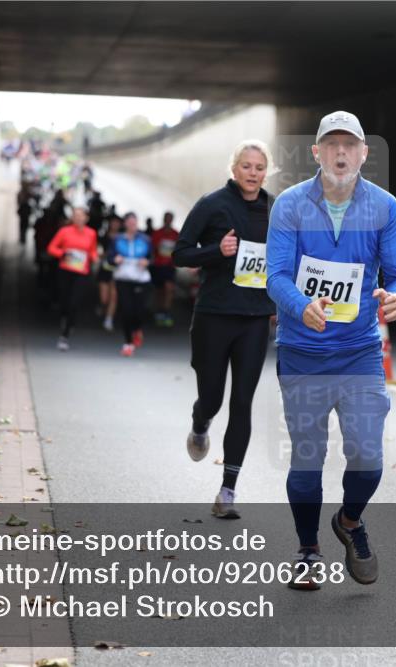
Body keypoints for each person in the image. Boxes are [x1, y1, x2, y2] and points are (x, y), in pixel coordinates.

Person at [266, 111, 396, 589]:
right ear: (317, 153)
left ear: (364, 154)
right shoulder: (289, 205)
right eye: (332, 145)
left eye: (350, 145)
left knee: (368, 456)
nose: (341, 153)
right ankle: (308, 549)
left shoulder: (385, 207)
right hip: (303, 351)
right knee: (307, 459)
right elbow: (276, 276)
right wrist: (300, 304)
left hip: (358, 353)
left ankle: (349, 522)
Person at [173, 141, 275, 519]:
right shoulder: (212, 204)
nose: (252, 172)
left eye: (259, 167)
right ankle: (201, 423)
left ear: (267, 171)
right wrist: (217, 250)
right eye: (246, 166)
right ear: (234, 169)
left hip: (254, 319)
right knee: (212, 397)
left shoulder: (276, 209)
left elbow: (289, 259)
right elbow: (180, 253)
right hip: (214, 315)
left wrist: (285, 301)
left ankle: (228, 489)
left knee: (243, 402)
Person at [47, 207, 98, 350]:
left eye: (81, 216)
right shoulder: (65, 231)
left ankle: (65, 334)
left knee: (74, 301)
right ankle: (65, 317)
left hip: (81, 272)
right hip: (66, 270)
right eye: (75, 216)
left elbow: (93, 251)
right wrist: (63, 253)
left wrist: (94, 257)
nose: (78, 218)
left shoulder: (91, 233)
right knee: (64, 300)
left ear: (86, 218)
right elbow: (51, 248)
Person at [109, 212, 152, 357]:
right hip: (123, 279)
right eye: (130, 223)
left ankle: (138, 328)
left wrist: (147, 262)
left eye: (135, 223)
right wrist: (115, 259)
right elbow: (109, 258)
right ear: (125, 224)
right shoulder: (117, 239)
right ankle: (128, 343)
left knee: (139, 310)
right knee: (126, 311)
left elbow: (152, 258)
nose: (133, 226)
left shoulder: (145, 239)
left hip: (141, 279)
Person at [151, 211, 180, 327]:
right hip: (158, 265)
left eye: (170, 219)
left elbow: (178, 249)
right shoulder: (157, 233)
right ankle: (159, 311)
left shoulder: (176, 234)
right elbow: (153, 248)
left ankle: (166, 311)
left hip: (169, 266)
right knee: (159, 290)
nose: (168, 221)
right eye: (166, 218)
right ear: (163, 219)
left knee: (169, 288)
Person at [97, 215, 123, 331]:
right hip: (105, 268)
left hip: (118, 269)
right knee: (104, 298)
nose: (115, 225)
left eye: (117, 223)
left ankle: (109, 319)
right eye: (113, 222)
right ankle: (103, 307)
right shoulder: (103, 236)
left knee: (114, 296)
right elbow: (98, 251)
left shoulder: (123, 238)